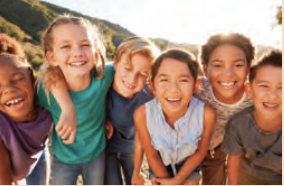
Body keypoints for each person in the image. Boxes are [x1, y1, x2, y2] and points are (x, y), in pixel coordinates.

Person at [37, 14, 114, 184]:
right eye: (66, 46)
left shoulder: (105, 75)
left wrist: (111, 118)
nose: (78, 53)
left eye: (85, 45)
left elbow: (131, 69)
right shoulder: (45, 91)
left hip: (96, 152)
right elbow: (45, 72)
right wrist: (67, 106)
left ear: (96, 52)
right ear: (52, 58)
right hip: (63, 156)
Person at [134, 49, 216, 185]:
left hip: (188, 160)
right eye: (164, 80)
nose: (173, 89)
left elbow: (201, 151)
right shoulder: (142, 114)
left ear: (195, 86)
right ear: (152, 86)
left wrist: (177, 181)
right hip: (160, 160)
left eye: (183, 80)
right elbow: (152, 154)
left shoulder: (206, 114)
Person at [195, 33, 255, 185]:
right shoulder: (197, 88)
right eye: (217, 65)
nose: (228, 73)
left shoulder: (253, 98)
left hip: (217, 148)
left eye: (238, 65)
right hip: (186, 147)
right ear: (205, 69)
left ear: (248, 70)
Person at [104, 36, 160, 185]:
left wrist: (140, 171)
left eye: (142, 74)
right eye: (128, 68)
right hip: (107, 150)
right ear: (115, 63)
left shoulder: (148, 98)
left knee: (136, 181)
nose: (132, 79)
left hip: (132, 151)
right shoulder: (103, 87)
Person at [222, 50, 282, 185]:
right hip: (248, 176)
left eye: (281, 87)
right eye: (264, 86)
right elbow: (233, 163)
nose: (272, 95)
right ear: (249, 90)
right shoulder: (238, 124)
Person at [0, 34, 52, 185]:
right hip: (11, 162)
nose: (9, 89)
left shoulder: (42, 97)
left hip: (38, 152)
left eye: (17, 78)